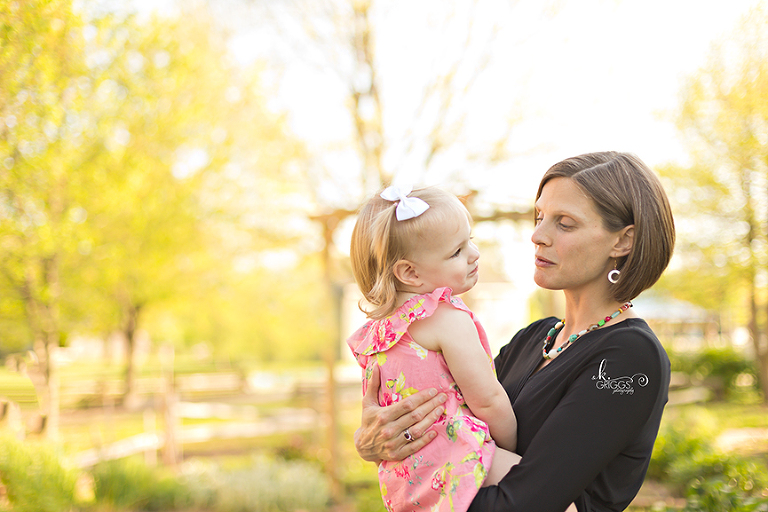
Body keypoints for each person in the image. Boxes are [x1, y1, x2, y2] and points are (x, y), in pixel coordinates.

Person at [353, 152, 675, 512]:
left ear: (623, 242)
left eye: (564, 223)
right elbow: (457, 413)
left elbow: (527, 503)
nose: (538, 235)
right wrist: (376, 441)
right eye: (539, 217)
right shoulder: (535, 338)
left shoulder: (630, 357)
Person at [347, 185, 522, 512]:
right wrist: (510, 447)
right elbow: (489, 400)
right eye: (457, 251)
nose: (474, 253)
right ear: (410, 272)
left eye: (470, 240)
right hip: (457, 457)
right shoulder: (446, 317)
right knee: (554, 498)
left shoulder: (376, 335)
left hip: (406, 479)